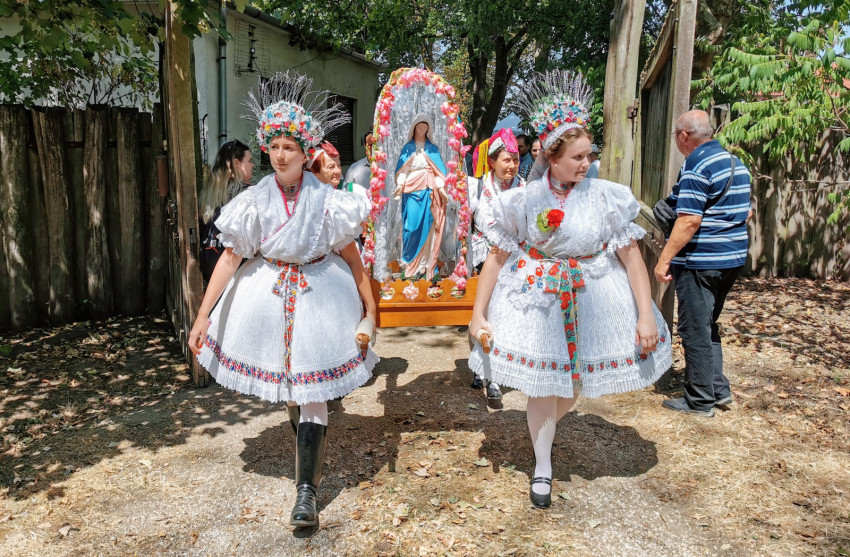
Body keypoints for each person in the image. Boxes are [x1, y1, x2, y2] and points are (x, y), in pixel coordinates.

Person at [469, 70, 671, 509]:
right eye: (577, 156)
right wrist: (478, 312)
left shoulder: (605, 197)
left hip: (591, 298)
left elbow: (632, 259)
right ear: (552, 155)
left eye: (588, 155)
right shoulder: (523, 200)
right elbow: (497, 257)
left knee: (573, 385)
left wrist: (645, 314)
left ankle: (542, 429)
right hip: (537, 302)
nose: (585, 163)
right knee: (544, 385)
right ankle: (542, 464)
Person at [187, 71, 379, 529]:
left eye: (288, 147)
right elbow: (230, 259)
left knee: (311, 390)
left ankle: (306, 492)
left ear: (305, 152)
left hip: (319, 295)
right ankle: (307, 444)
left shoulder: (328, 200)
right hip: (269, 297)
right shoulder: (255, 199)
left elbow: (353, 259)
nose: (279, 155)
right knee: (292, 393)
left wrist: (371, 310)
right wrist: (202, 315)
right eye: (273, 146)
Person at [654, 109, 751, 418]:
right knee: (707, 324)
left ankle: (699, 400)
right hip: (732, 258)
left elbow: (689, 221)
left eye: (675, 136)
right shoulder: (735, 163)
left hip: (701, 260)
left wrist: (664, 260)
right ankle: (718, 390)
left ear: (684, 136)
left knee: (694, 328)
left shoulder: (696, 165)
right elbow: (747, 211)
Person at [467, 128, 525, 400]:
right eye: (506, 160)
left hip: (515, 261)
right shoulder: (477, 187)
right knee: (483, 312)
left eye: (516, 159)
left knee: (505, 315)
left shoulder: (524, 188)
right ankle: (482, 369)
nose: (512, 165)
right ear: (492, 161)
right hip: (484, 258)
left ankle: (496, 373)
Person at [392, 115, 449, 280]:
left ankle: (426, 264)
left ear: (428, 129)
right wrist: (400, 185)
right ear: (414, 129)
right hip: (411, 190)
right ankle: (410, 264)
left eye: (425, 127)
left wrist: (441, 188)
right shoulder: (408, 148)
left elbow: (439, 172)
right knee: (411, 226)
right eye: (419, 127)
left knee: (430, 226)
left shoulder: (433, 149)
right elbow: (403, 169)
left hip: (430, 191)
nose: (422, 130)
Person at [197, 140, 254, 283]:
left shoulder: (210, 192)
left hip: (210, 261)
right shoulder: (246, 194)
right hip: (233, 265)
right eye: (249, 161)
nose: (252, 165)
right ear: (237, 163)